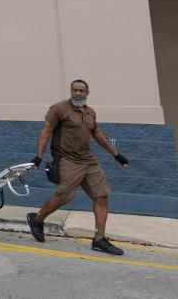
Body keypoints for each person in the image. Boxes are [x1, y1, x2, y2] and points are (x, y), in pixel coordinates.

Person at [26, 79, 129, 255]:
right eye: (75, 90)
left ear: (87, 93)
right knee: (64, 196)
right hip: (67, 160)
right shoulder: (59, 109)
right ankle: (37, 219)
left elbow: (96, 133)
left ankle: (99, 239)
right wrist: (38, 156)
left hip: (88, 160)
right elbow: (45, 132)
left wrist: (116, 155)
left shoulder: (90, 112)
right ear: (71, 91)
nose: (78, 93)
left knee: (101, 196)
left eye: (82, 91)